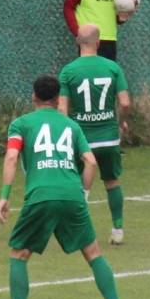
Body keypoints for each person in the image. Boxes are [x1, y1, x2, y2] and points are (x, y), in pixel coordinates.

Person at [0, 75, 138, 299]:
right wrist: (82, 193)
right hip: (71, 193)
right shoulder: (72, 126)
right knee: (94, 254)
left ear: (34, 97)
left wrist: (4, 196)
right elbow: (90, 162)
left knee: (19, 255)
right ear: (59, 98)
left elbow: (12, 156)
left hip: (41, 196)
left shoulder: (21, 124)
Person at [58, 24, 130, 245]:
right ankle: (118, 229)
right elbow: (125, 102)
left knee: (74, 183)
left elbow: (61, 110)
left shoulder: (68, 71)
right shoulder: (112, 67)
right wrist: (120, 122)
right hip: (108, 135)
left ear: (77, 41)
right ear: (98, 43)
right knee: (112, 182)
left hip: (82, 140)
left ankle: (76, 228)